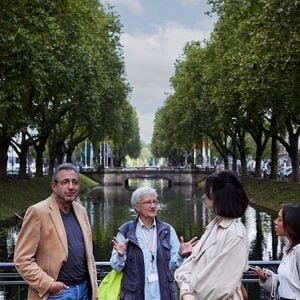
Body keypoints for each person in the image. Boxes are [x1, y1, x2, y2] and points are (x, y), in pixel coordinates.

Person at [14, 163, 98, 300]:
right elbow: (22, 259)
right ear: (54, 186)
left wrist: (93, 287)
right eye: (65, 182)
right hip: (56, 293)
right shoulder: (38, 212)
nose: (71, 187)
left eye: (75, 182)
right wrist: (49, 285)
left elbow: (89, 254)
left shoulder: (81, 211)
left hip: (84, 289)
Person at [110, 186, 198, 300]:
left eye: (155, 202)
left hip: (164, 295)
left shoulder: (167, 230)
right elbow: (116, 267)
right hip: (135, 296)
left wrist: (181, 255)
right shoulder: (126, 232)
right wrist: (121, 256)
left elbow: (174, 268)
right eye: (147, 202)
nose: (153, 206)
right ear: (136, 207)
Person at [174, 170, 249, 300]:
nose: (204, 195)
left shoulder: (236, 234)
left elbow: (220, 287)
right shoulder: (213, 227)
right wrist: (186, 292)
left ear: (220, 196)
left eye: (208, 190)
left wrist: (188, 292)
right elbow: (185, 268)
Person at [254, 204, 300, 300]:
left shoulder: (298, 251)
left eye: (279, 219)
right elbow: (285, 285)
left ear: (290, 223)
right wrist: (267, 278)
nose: (275, 222)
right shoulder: (288, 250)